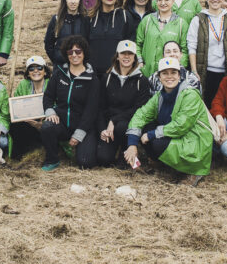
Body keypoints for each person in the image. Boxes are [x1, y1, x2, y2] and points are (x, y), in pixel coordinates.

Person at [124, 57, 213, 186]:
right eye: (165, 73)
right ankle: (161, 164)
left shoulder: (190, 94)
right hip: (177, 136)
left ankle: (194, 171)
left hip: (194, 140)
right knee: (145, 128)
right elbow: (141, 115)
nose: (169, 77)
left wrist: (151, 134)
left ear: (179, 75)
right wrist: (132, 143)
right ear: (159, 77)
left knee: (155, 141)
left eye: (173, 72)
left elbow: (181, 125)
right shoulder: (160, 95)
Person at [40, 35, 100, 170]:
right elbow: (48, 96)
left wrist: (79, 134)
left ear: (84, 53)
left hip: (83, 126)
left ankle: (77, 148)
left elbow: (91, 110)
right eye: (70, 52)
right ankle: (52, 159)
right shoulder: (59, 73)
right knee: (47, 127)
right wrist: (50, 111)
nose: (74, 55)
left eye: (78, 51)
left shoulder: (92, 79)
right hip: (62, 122)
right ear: (66, 54)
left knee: (86, 163)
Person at [96, 40, 152, 167]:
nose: (126, 57)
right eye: (123, 53)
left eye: (130, 54)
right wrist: (103, 129)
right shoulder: (107, 78)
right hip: (109, 126)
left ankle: (124, 151)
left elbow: (139, 108)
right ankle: (112, 149)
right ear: (117, 56)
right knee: (103, 159)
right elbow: (100, 106)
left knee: (121, 126)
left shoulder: (142, 81)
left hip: (128, 124)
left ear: (134, 57)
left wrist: (114, 121)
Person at [85, 0, 137, 72]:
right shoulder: (90, 17)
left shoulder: (125, 16)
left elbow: (130, 41)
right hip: (93, 72)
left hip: (116, 72)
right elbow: (84, 43)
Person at [137, 0, 190, 77]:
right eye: (159, 0)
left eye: (166, 0)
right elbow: (138, 44)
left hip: (169, 75)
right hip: (147, 73)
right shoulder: (147, 20)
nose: (162, 3)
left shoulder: (181, 24)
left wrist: (178, 66)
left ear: (173, 1)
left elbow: (185, 50)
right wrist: (140, 62)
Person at [9, 55, 48, 158]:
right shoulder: (23, 84)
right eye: (31, 68)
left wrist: (41, 124)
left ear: (45, 71)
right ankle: (20, 156)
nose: (35, 71)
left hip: (45, 123)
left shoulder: (51, 84)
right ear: (28, 73)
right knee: (15, 125)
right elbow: (16, 106)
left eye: (39, 68)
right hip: (28, 123)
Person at [45, 0, 86, 65]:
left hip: (80, 66)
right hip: (61, 66)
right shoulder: (56, 19)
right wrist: (56, 60)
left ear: (80, 0)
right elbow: (48, 44)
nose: (73, 1)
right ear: (65, 0)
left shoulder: (85, 19)